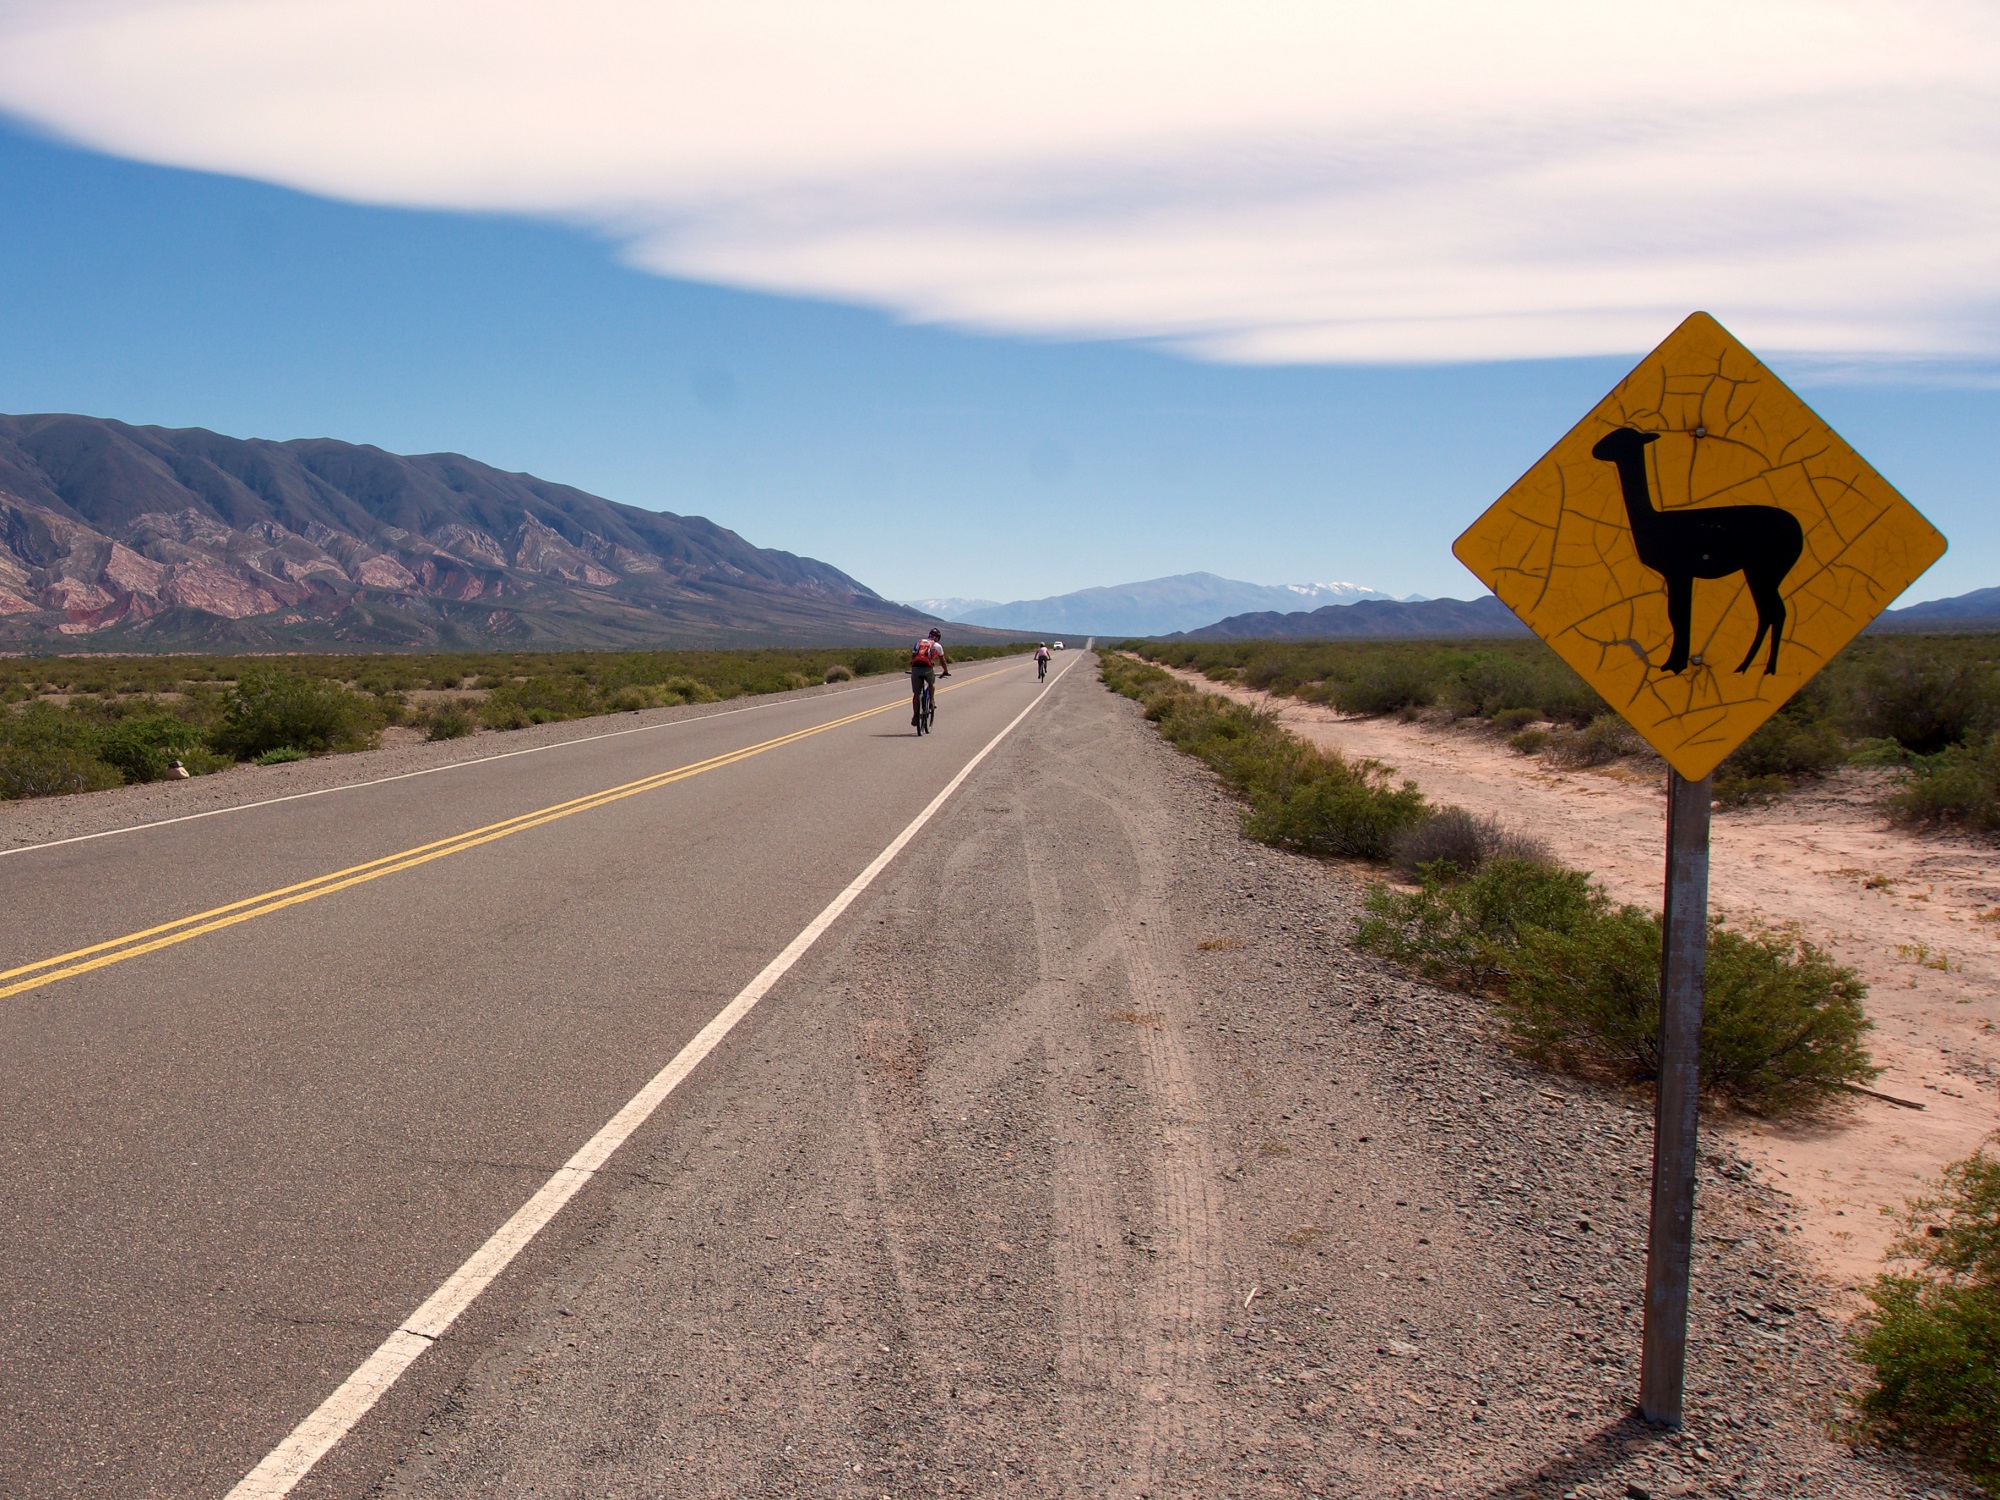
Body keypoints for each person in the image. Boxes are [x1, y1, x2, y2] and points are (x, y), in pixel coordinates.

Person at [910, 628, 948, 727]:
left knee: (916, 693)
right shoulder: (937, 645)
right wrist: (945, 671)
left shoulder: (919, 642)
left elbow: (913, 657)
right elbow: (942, 660)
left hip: (916, 669)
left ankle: (915, 716)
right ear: (938, 638)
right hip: (927, 669)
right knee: (931, 684)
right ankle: (931, 701)